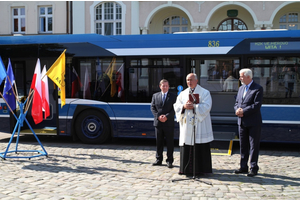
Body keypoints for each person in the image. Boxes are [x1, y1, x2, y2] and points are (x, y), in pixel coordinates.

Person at [173, 73, 214, 176]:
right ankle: (186, 169)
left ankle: (200, 170)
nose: (189, 82)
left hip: (199, 125)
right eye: (187, 80)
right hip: (187, 125)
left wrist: (195, 107)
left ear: (196, 80)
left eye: (191, 80)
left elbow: (207, 107)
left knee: (200, 146)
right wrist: (183, 106)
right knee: (187, 144)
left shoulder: (205, 93)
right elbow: (176, 105)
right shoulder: (182, 93)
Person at [234, 68, 263, 177]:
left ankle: (253, 167)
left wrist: (243, 111)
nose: (240, 78)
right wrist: (237, 110)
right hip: (241, 122)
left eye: (241, 76)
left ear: (248, 77)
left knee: (253, 145)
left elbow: (256, 105)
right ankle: (243, 166)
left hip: (253, 122)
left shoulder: (258, 88)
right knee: (243, 145)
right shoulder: (241, 88)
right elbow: (237, 102)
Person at [150, 79, 177, 168]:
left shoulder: (173, 96)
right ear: (160, 86)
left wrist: (167, 116)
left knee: (169, 142)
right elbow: (152, 107)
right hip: (158, 123)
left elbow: (175, 109)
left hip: (168, 122)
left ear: (168, 87)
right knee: (159, 142)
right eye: (163, 85)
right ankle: (158, 159)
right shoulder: (155, 96)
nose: (164, 87)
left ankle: (169, 160)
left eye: (166, 86)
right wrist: (158, 116)